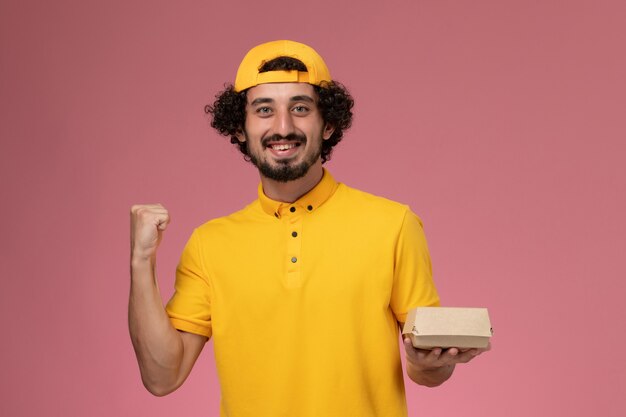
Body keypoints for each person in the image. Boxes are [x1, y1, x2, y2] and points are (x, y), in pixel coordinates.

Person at [129, 40, 488, 417]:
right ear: (239, 128)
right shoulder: (209, 244)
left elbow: (427, 369)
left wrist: (432, 362)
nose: (283, 127)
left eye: (300, 108)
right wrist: (141, 262)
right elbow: (161, 376)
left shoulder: (394, 225)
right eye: (264, 110)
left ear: (328, 123)